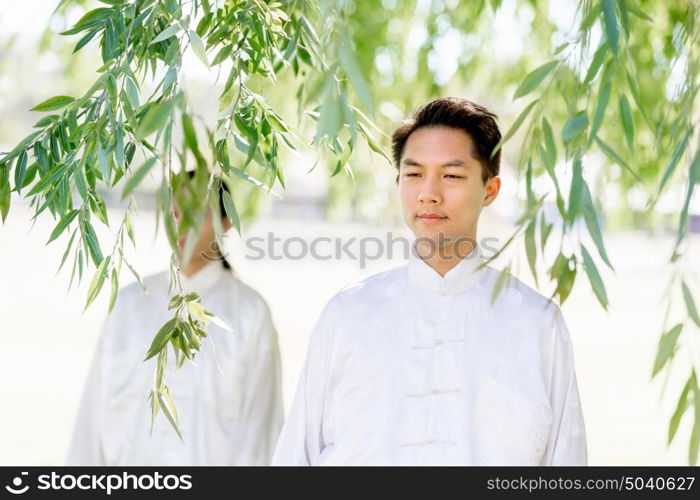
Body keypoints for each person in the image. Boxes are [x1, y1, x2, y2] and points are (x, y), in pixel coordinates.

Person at [271, 97, 587, 466]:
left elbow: (566, 460)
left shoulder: (537, 323)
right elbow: (298, 455)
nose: (428, 193)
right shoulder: (348, 314)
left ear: (490, 189)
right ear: (398, 183)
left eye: (451, 175)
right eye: (414, 174)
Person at [66, 169, 283, 465]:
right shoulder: (130, 303)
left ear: (226, 222)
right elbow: (93, 415)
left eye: (198, 214)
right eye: (175, 213)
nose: (183, 226)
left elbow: (262, 427)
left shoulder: (249, 312)